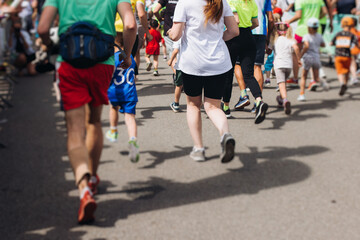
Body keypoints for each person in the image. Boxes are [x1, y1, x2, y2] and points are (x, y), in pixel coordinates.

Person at [38, 0, 136, 224]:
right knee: (93, 122)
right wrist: (128, 55)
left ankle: (83, 189)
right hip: (102, 61)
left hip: (70, 60)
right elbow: (130, 25)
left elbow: (43, 27)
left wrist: (49, 46)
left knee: (74, 129)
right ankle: (92, 178)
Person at [167, 0, 239, 162]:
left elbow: (176, 34)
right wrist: (218, 38)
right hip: (218, 61)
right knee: (213, 106)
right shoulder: (221, 2)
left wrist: (170, 33)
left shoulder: (184, 3)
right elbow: (234, 31)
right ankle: (225, 134)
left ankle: (199, 149)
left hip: (193, 62)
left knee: (193, 105)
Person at [222, 0, 269, 124]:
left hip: (234, 38)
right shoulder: (251, 3)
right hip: (249, 36)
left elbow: (235, 20)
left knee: (228, 73)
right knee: (248, 74)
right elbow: (255, 23)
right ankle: (259, 100)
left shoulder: (231, 1)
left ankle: (226, 107)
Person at [106, 29, 139, 163]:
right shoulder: (129, 57)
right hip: (130, 91)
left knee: (114, 108)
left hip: (116, 90)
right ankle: (133, 140)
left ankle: (113, 131)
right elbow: (134, 76)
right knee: (130, 117)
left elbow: (107, 76)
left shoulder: (111, 59)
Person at [286, 0, 330, 87]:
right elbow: (325, 12)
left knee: (295, 52)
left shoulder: (300, 1)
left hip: (302, 30)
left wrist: (288, 21)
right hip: (315, 30)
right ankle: (313, 80)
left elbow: (298, 15)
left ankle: (295, 78)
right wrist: (316, 18)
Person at [273, 22, 301, 114]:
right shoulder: (290, 39)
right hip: (289, 65)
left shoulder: (275, 39)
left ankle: (285, 100)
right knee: (283, 84)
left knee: (281, 83)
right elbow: (296, 48)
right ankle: (280, 99)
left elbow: (268, 49)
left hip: (279, 64)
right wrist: (298, 59)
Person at [297, 17, 326, 101]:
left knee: (304, 76)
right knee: (316, 77)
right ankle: (322, 82)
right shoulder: (319, 36)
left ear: (308, 27)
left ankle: (302, 94)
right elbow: (323, 45)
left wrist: (300, 55)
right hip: (316, 57)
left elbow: (306, 46)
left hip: (308, 57)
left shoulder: (306, 36)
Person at [330, 16, 359, 96]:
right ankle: (345, 84)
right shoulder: (352, 35)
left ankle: (342, 83)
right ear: (352, 24)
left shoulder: (338, 34)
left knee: (339, 72)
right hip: (347, 56)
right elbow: (356, 44)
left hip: (338, 56)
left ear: (342, 24)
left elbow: (331, 43)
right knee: (347, 71)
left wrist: (336, 44)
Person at [252, 0, 274, 92]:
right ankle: (259, 99)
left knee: (241, 65)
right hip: (260, 32)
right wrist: (268, 39)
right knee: (257, 66)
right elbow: (271, 19)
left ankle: (243, 94)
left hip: (244, 31)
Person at [167, 39, 183, 112]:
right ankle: (198, 103)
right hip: (193, 66)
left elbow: (176, 50)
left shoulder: (179, 37)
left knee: (178, 86)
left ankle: (176, 104)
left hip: (181, 66)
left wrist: (171, 60)